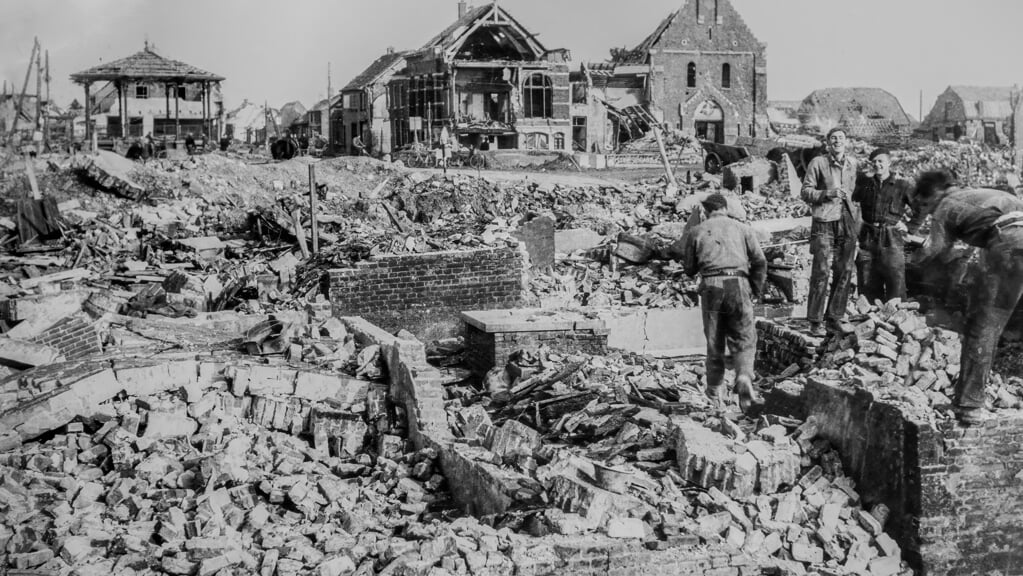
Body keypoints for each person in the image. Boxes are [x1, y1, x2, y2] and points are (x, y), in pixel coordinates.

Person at [910, 171, 1023, 424]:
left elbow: (935, 249)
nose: (928, 213)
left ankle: (970, 405)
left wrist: (911, 259)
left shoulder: (945, 205)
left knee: (983, 326)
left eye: (926, 205)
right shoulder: (981, 195)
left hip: (1011, 246)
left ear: (935, 194)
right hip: (1015, 242)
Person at [668, 193, 766, 412]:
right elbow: (760, 261)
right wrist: (755, 290)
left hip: (712, 286)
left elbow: (689, 268)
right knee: (745, 337)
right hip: (739, 284)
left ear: (705, 211)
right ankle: (743, 376)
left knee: (715, 342)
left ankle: (714, 395)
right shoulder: (743, 229)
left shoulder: (696, 231)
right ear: (725, 208)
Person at [801, 127, 861, 336]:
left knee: (844, 269)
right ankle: (815, 321)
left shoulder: (853, 164)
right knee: (822, 271)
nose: (837, 141)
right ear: (827, 143)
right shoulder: (818, 163)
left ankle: (834, 317)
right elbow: (805, 191)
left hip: (847, 220)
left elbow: (856, 193)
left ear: (847, 141)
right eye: (833, 138)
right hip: (824, 221)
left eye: (841, 138)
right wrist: (827, 193)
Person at [852, 148, 921, 303]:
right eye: (874, 162)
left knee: (895, 279)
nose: (877, 165)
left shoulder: (902, 186)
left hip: (891, 237)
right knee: (867, 277)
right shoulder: (865, 184)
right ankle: (870, 318)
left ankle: (896, 320)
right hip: (868, 235)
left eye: (880, 161)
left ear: (889, 163)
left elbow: (921, 208)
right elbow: (852, 203)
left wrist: (910, 227)